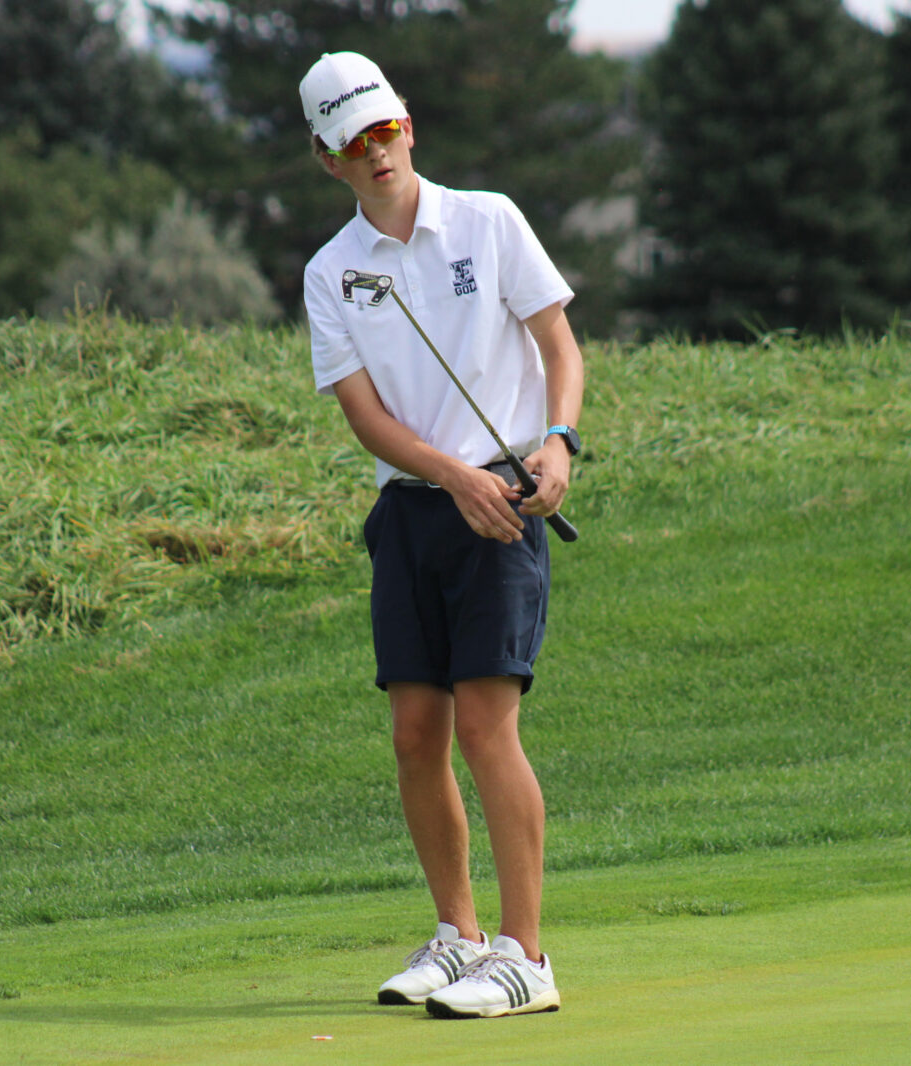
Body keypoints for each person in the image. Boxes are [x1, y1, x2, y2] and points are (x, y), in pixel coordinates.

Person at [298, 51, 584, 1019]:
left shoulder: (490, 221)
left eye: (384, 131)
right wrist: (448, 474)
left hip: (503, 502)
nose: (375, 153)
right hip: (416, 508)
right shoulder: (330, 273)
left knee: (483, 723)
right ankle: (459, 935)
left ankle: (526, 954)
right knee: (416, 732)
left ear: (407, 125)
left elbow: (557, 347)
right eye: (352, 143)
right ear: (325, 159)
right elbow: (366, 418)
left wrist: (557, 443)